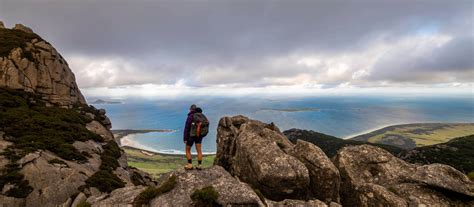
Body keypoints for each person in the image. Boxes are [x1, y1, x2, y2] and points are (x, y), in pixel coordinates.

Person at [183, 105, 209, 170]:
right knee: (199, 151)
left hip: (191, 136)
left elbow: (187, 128)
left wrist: (185, 138)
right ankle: (199, 165)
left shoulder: (190, 117)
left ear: (191, 109)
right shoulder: (202, 117)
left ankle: (190, 165)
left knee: (187, 150)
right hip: (199, 136)